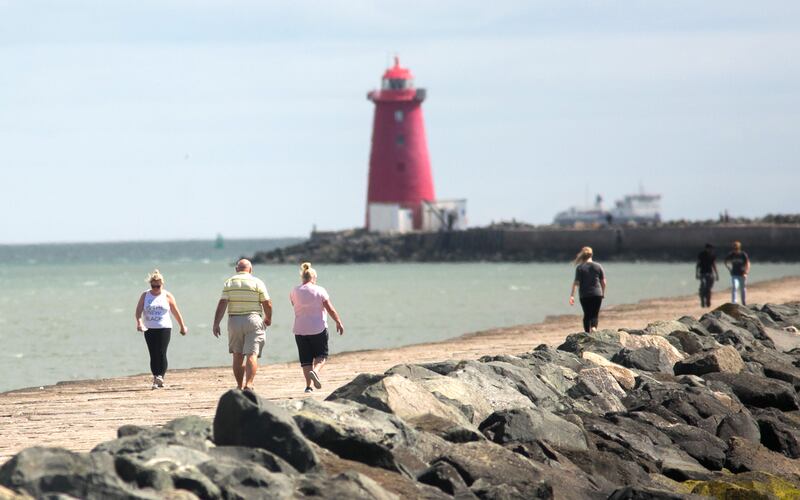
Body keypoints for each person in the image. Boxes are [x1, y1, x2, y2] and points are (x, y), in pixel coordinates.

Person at [212, 259, 272, 391]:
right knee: (252, 354)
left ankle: (239, 386)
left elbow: (222, 303)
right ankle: (249, 384)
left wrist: (216, 323)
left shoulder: (230, 282)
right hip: (253, 319)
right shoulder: (257, 282)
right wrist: (268, 318)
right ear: (250, 269)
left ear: (236, 269)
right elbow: (267, 303)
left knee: (237, 355)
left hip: (234, 320)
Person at [289, 262, 344, 393]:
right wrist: (338, 321)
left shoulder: (294, 291)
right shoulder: (320, 290)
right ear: (313, 278)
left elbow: (293, 304)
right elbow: (329, 308)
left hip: (300, 329)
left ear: (303, 277)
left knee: (305, 359)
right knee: (321, 356)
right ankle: (316, 371)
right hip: (318, 328)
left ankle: (308, 387)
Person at [134, 269, 188, 389]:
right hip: (149, 328)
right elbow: (138, 311)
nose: (155, 288)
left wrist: (182, 326)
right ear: (150, 285)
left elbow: (175, 311)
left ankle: (160, 377)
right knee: (153, 353)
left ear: (162, 284)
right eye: (153, 286)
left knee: (161, 352)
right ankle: (155, 377)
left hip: (164, 328)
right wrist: (139, 323)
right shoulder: (145, 295)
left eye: (158, 286)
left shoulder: (167, 295)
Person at [569, 247, 606, 333]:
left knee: (587, 314)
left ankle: (587, 333)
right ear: (591, 254)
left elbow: (576, 283)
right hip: (597, 294)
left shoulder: (580, 268)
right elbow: (603, 282)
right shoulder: (598, 266)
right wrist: (603, 293)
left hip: (584, 295)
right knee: (595, 314)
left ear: (582, 255)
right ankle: (594, 328)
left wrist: (572, 296)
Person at [696, 243, 719, 307]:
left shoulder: (712, 255)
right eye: (710, 248)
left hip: (710, 273)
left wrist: (717, 274)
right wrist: (697, 273)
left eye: (711, 249)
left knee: (708, 289)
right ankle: (702, 301)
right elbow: (698, 264)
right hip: (702, 273)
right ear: (706, 248)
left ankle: (708, 302)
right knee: (703, 287)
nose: (711, 250)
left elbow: (714, 265)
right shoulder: (701, 255)